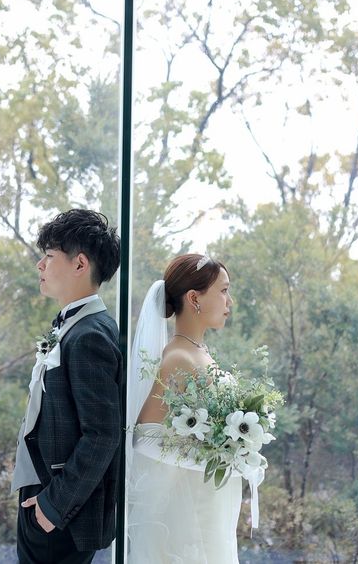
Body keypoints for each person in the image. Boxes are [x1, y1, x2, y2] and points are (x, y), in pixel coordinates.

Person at [12, 209, 122, 564]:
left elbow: (103, 434)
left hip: (61, 511)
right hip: (46, 498)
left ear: (80, 264)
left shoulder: (91, 335)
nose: (40, 266)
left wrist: (53, 505)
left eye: (48, 256)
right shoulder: (73, 326)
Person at [126, 253, 241, 563]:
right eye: (223, 290)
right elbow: (146, 442)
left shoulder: (199, 352)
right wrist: (218, 451)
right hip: (187, 520)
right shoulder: (178, 359)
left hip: (207, 506)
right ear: (194, 298)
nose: (229, 301)